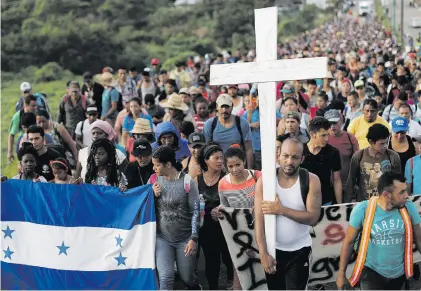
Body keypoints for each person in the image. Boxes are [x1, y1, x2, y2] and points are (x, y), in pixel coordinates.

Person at [255, 137, 322, 290]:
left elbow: (313, 218)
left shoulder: (311, 180)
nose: (289, 161)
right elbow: (259, 222)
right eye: (285, 156)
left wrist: (281, 210)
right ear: (278, 155)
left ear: (302, 159)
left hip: (300, 251)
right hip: (273, 250)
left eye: (295, 157)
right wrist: (263, 253)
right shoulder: (265, 181)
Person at [337, 171, 421, 290]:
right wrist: (341, 274)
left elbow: (419, 238)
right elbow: (349, 242)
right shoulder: (362, 210)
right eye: (401, 192)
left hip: (400, 274)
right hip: (372, 273)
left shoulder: (408, 206)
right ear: (386, 194)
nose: (407, 195)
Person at [151, 146, 200, 290]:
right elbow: (143, 202)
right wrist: (151, 193)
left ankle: (196, 286)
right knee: (165, 277)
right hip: (163, 238)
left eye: (157, 165)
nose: (154, 168)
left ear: (168, 164)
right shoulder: (154, 180)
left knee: (187, 277)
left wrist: (193, 238)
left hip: (185, 239)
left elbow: (195, 211)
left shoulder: (188, 182)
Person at [218, 146, 262, 290]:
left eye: (238, 164)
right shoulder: (223, 183)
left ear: (244, 161)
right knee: (239, 267)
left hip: (260, 229)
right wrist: (218, 211)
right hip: (239, 234)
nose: (235, 169)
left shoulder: (258, 176)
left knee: (261, 265)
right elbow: (224, 207)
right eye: (230, 166)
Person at [195, 143, 233, 290]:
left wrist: (223, 208)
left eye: (221, 158)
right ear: (206, 160)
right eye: (216, 158)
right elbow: (192, 203)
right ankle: (213, 287)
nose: (220, 161)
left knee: (228, 258)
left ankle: (231, 279)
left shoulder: (227, 178)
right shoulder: (196, 180)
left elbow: (235, 201)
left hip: (226, 225)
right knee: (212, 261)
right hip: (207, 227)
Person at [344, 124, 401, 202]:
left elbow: (398, 183)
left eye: (386, 142)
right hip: (364, 203)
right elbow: (351, 182)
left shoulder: (393, 157)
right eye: (381, 143)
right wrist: (346, 205)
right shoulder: (359, 156)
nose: (385, 146)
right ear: (371, 141)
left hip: (386, 203)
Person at [203, 94, 254, 168]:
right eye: (222, 106)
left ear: (232, 107)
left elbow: (249, 149)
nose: (224, 110)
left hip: (237, 167)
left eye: (227, 107)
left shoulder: (242, 123)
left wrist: (250, 171)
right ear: (217, 106)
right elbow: (206, 150)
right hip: (218, 169)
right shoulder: (210, 124)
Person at [301, 117, 342, 205]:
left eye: (328, 135)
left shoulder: (333, 152)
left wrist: (339, 205)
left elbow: (337, 180)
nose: (327, 139)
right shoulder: (301, 151)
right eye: (323, 135)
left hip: (326, 200)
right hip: (303, 201)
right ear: (312, 134)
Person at [325, 109, 359, 190]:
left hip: (348, 185)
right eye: (329, 124)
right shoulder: (323, 139)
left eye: (335, 123)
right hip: (328, 186)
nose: (332, 127)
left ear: (341, 121)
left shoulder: (350, 137)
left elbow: (357, 161)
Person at [8, 94, 38, 163]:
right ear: (26, 105)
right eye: (33, 106)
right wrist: (10, 152)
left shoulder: (37, 113)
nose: (35, 108)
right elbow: (11, 134)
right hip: (23, 143)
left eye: (36, 105)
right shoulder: (18, 116)